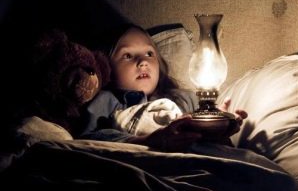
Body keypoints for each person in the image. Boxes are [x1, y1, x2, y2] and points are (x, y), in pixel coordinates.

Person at [81, 24, 246, 151]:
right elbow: (89, 139)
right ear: (107, 67)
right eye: (128, 56)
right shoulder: (105, 101)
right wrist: (147, 141)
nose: (143, 62)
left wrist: (217, 127)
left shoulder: (184, 99)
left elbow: (205, 142)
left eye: (149, 54)